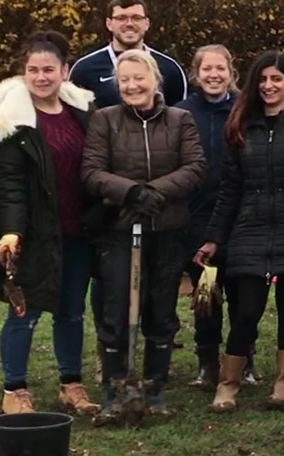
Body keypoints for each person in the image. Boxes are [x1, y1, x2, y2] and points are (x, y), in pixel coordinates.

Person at [0, 31, 101, 418]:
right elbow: (6, 183)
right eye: (33, 70)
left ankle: (71, 385)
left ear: (64, 71)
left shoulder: (83, 112)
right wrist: (12, 230)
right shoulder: (10, 121)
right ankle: (15, 390)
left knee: (72, 311)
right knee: (25, 312)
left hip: (77, 230)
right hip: (33, 233)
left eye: (49, 69)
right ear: (24, 73)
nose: (41, 77)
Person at [196, 52, 284, 412]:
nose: (269, 86)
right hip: (249, 230)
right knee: (246, 309)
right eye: (263, 80)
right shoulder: (241, 126)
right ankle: (228, 385)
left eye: (277, 79)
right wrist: (213, 237)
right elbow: (230, 190)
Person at [82, 49, 206, 422]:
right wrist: (130, 192)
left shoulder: (179, 119)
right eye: (125, 80)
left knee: (161, 309)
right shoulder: (105, 120)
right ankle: (116, 387)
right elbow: (91, 170)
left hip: (166, 229)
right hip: (119, 230)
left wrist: (155, 191)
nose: (132, 85)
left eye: (139, 78)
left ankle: (155, 387)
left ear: (155, 80)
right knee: (116, 308)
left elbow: (195, 165)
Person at [176, 45, 238, 390]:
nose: (214, 75)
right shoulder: (182, 112)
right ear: (196, 74)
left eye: (220, 69)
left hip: (239, 217)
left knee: (244, 295)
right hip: (198, 217)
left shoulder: (244, 109)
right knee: (207, 294)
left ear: (231, 72)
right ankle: (207, 361)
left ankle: (242, 359)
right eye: (207, 69)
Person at [69, 0, 188, 109]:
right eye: (121, 18)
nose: (129, 24)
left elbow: (178, 119)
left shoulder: (170, 68)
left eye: (136, 18)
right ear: (109, 24)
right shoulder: (84, 69)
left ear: (146, 24)